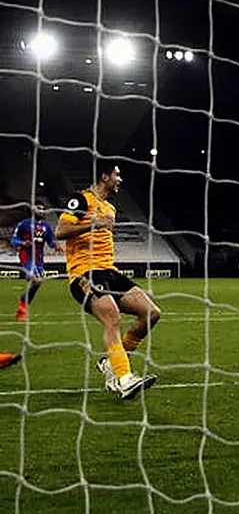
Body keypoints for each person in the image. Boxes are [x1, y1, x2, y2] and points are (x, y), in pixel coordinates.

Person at [55, 162, 160, 400]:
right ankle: (124, 379)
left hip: (109, 272)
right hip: (84, 273)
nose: (120, 180)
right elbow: (60, 231)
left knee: (151, 313)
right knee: (112, 317)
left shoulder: (110, 208)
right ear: (104, 176)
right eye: (117, 175)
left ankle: (110, 364)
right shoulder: (81, 200)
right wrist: (94, 223)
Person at [10, 205, 59, 321]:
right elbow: (14, 240)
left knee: (38, 282)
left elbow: (51, 241)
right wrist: (23, 243)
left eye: (43, 209)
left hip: (39, 260)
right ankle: (23, 307)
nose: (41, 211)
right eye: (39, 208)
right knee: (36, 280)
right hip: (26, 257)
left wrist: (56, 245)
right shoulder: (24, 224)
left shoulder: (46, 226)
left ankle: (23, 302)